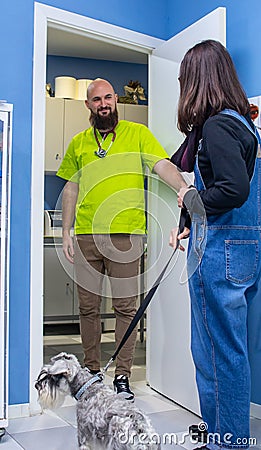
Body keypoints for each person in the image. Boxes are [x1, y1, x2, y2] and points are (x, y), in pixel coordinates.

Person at [57, 78, 188, 401]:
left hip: (127, 235)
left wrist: (184, 187)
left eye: (108, 98)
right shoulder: (78, 143)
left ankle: (122, 376)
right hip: (87, 233)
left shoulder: (138, 134)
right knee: (87, 307)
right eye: (96, 100)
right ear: (88, 106)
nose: (103, 104)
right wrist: (66, 231)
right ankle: (90, 373)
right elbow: (71, 187)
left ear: (115, 99)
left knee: (125, 308)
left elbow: (162, 165)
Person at [169, 40, 261, 449]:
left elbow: (231, 189)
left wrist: (189, 200)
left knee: (213, 358)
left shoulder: (216, 127)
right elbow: (225, 183)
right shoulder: (243, 124)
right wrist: (189, 218)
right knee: (232, 353)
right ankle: (231, 439)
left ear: (198, 80)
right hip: (244, 247)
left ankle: (226, 443)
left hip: (219, 251)